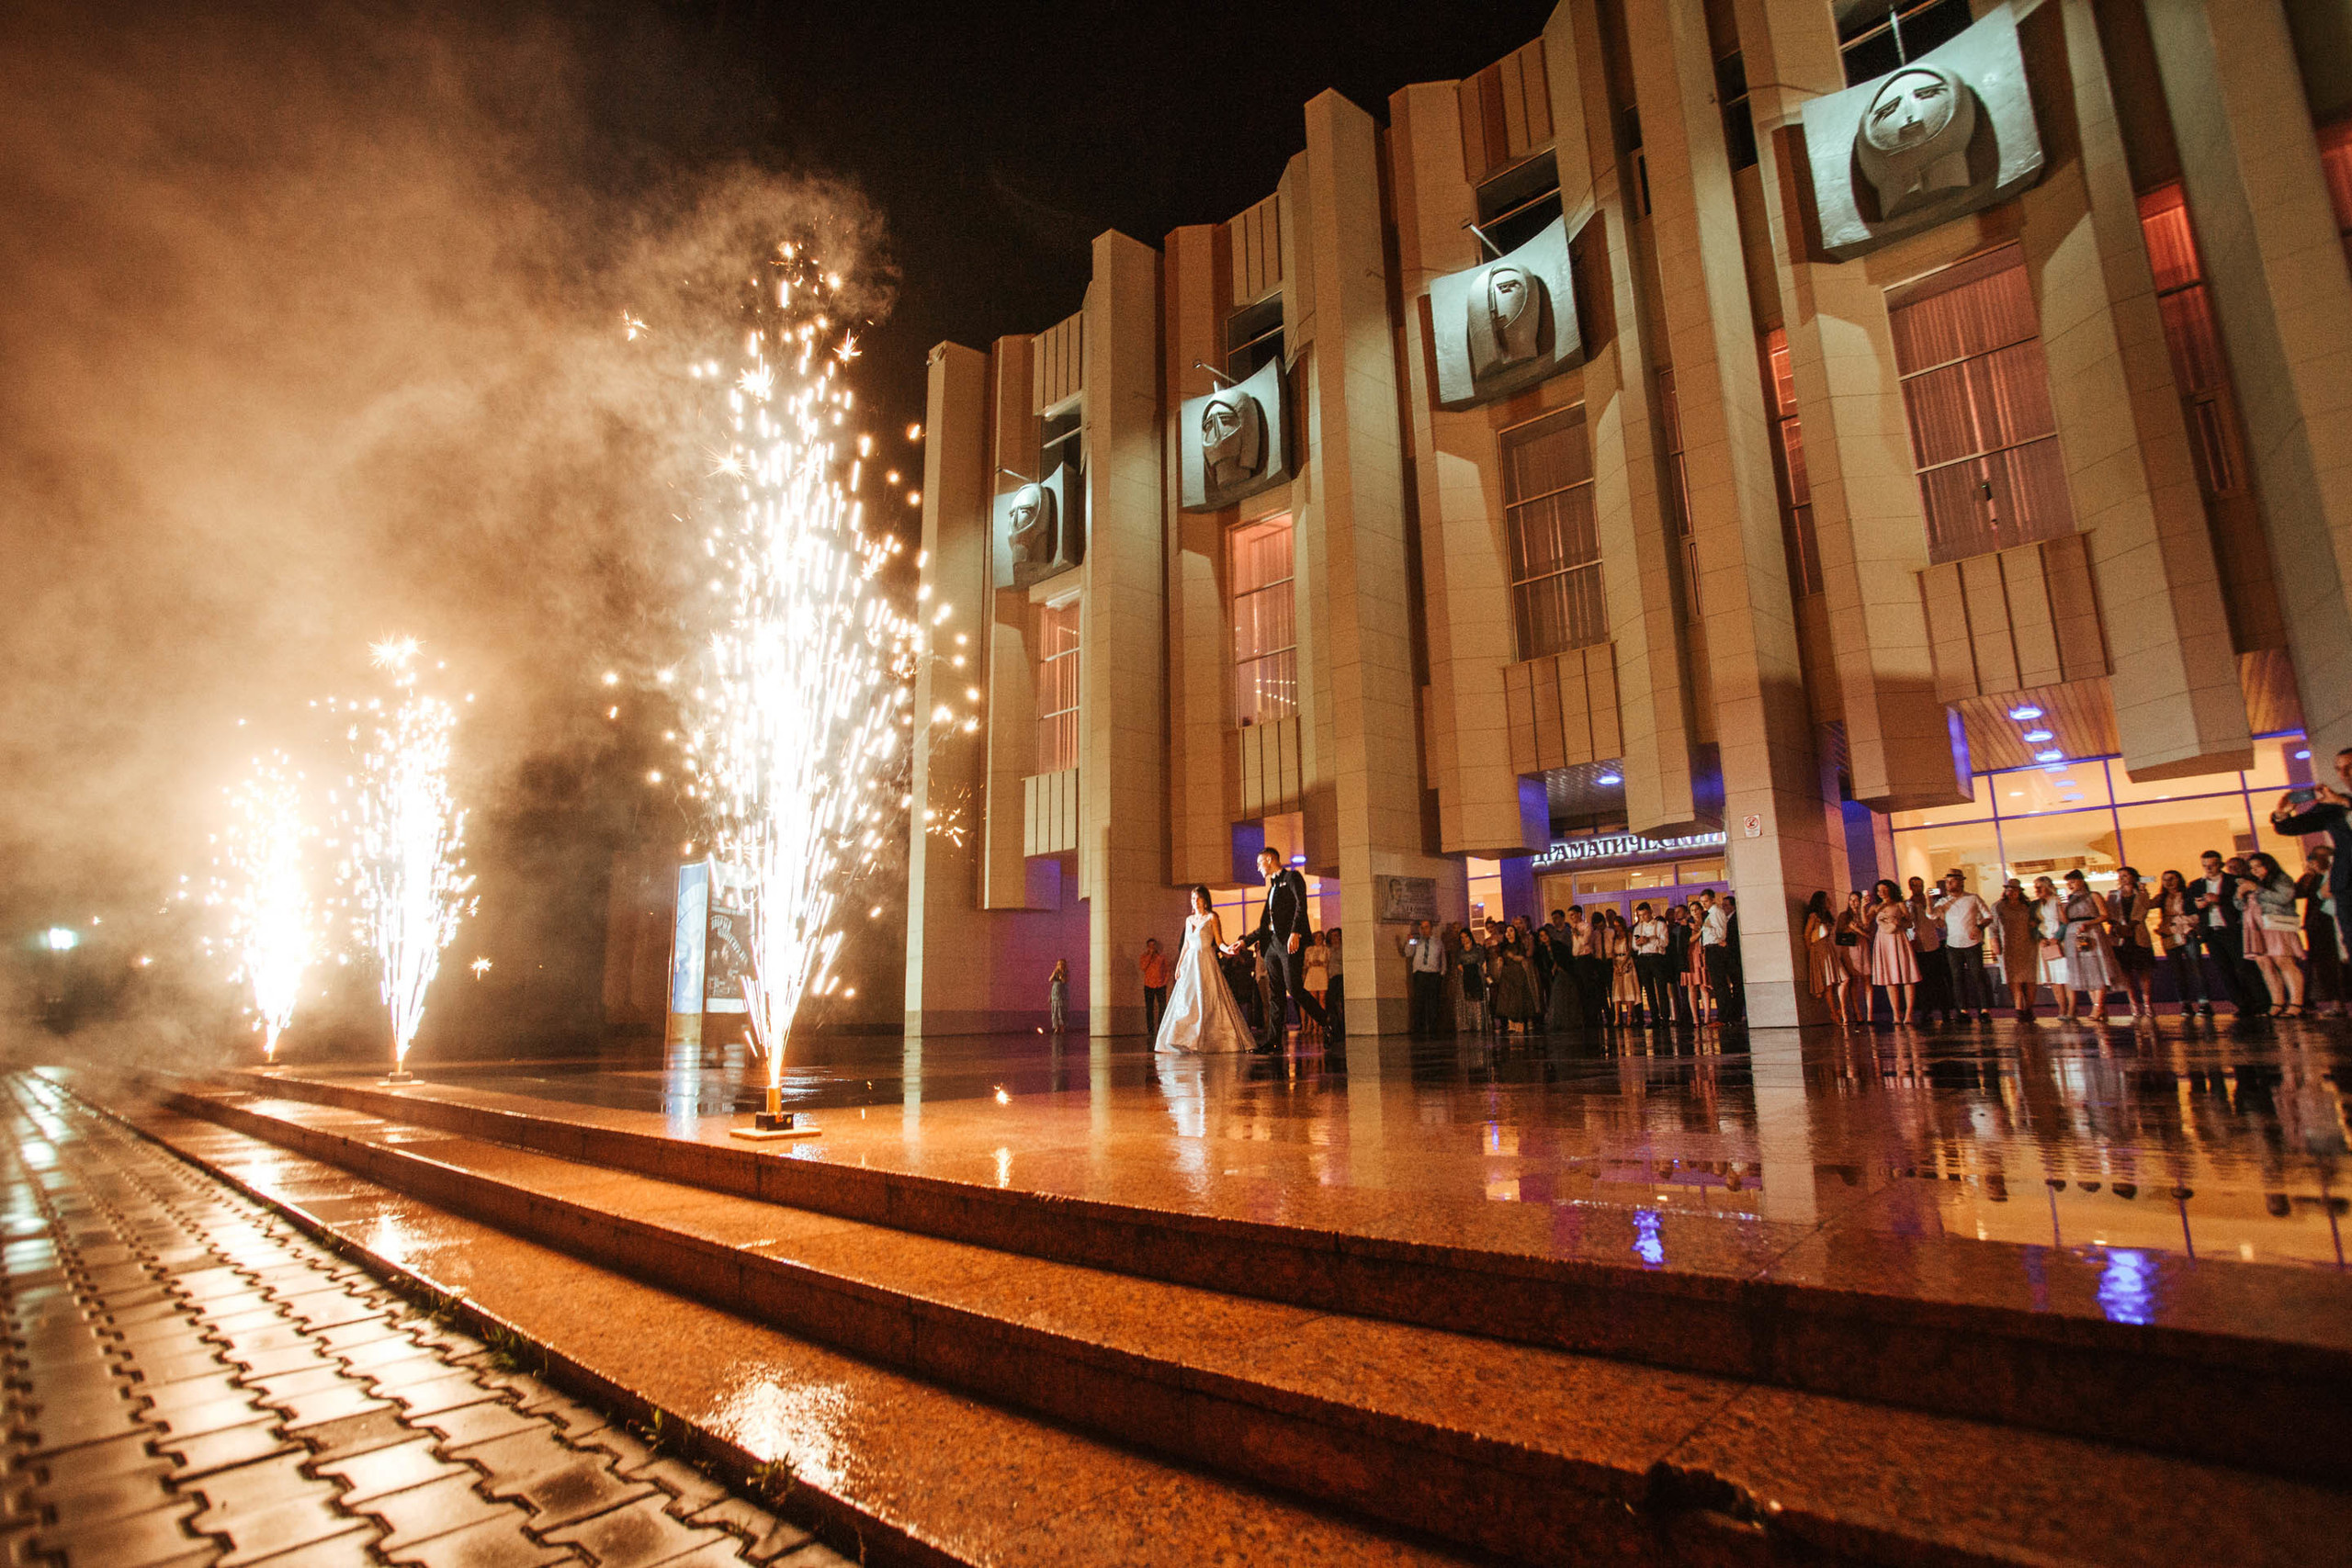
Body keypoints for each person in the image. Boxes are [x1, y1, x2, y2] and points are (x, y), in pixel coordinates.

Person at [2274, 754, 2352, 993]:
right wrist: (2282, 814)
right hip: (2347, 883)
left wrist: (2344, 802)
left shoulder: (2339, 801)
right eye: (2339, 769)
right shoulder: (2332, 806)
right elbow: (2293, 827)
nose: (2344, 774)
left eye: (2350, 767)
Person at [1154, 886, 1255, 1054]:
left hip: (1206, 960)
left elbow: (1219, 942)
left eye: (1198, 898)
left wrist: (1228, 949)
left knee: (1209, 997)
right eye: (1193, 899)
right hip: (1190, 963)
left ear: (1205, 900)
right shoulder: (1189, 920)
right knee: (1187, 999)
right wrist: (1179, 965)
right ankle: (1184, 1039)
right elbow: (1186, 945)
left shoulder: (1212, 917)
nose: (1195, 901)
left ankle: (1208, 1039)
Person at [1248, 845, 1329, 1050]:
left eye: (1259, 863)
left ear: (1269, 859)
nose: (1258, 868)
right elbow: (1265, 923)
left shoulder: (1292, 878)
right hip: (1272, 944)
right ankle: (1273, 1041)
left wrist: (1295, 932)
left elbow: (1301, 905)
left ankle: (1327, 1021)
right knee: (1275, 993)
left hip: (1289, 942)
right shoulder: (1272, 888)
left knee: (1294, 988)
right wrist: (1245, 941)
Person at [2238, 852, 2307, 1018]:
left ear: (2268, 865)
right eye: (2252, 868)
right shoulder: (2250, 881)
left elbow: (2284, 897)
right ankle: (2277, 1002)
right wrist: (2240, 895)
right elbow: (2239, 906)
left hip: (2276, 924)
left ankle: (2296, 1003)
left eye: (2258, 866)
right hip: (2254, 927)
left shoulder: (2281, 879)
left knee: (2283, 961)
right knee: (2265, 963)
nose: (2255, 870)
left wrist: (2257, 890)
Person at [2187, 849, 2249, 1017]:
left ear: (2220, 865)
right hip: (2211, 932)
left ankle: (2255, 1002)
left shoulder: (2233, 881)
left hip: (2231, 929)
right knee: (2224, 970)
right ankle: (2240, 1004)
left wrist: (2219, 900)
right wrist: (2196, 906)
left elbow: (2242, 903)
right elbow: (2187, 906)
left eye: (2212, 865)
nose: (2208, 869)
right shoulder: (2196, 885)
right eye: (2205, 865)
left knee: (2242, 967)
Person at [1930, 870, 1996, 1024]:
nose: (1949, 884)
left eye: (1952, 881)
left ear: (1961, 882)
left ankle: (1984, 1010)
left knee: (1977, 976)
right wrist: (1929, 900)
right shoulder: (1943, 902)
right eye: (1947, 882)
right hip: (1953, 944)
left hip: (1972, 943)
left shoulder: (1972, 898)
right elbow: (1933, 916)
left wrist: (1979, 927)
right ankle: (1963, 1010)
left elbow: (1988, 916)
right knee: (1957, 978)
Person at [2060, 870, 2120, 1024]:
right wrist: (2061, 908)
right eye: (2068, 882)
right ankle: (2099, 1007)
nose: (2070, 885)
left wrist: (2088, 923)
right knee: (2085, 970)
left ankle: (2097, 1007)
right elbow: (2066, 921)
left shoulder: (2093, 895)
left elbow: (2104, 915)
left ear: (2081, 881)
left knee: (2097, 968)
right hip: (2074, 933)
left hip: (2091, 932)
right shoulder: (2069, 899)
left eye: (2073, 881)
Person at [2107, 867, 2158, 1022]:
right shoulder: (2113, 895)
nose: (2122, 878)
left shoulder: (2141, 894)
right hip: (2120, 937)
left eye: (2125, 875)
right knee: (2126, 972)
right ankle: (2134, 1004)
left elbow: (2142, 912)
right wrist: (2118, 926)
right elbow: (2109, 914)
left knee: (2144, 971)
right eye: (2120, 876)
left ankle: (2147, 1003)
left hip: (2138, 935)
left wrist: (2129, 926)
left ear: (2134, 877)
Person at [1865, 879, 1919, 1024]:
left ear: (1890, 889)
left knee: (1907, 975)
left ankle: (1909, 1013)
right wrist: (1863, 907)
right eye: (1879, 890)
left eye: (1884, 889)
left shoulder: (1899, 904)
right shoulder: (1875, 907)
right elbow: (1866, 922)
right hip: (1883, 941)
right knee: (1889, 978)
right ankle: (1896, 1014)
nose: (1881, 892)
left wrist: (1897, 922)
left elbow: (1909, 923)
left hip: (1898, 938)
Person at [2154, 868, 2206, 1019]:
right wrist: (2141, 890)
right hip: (2169, 933)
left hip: (2187, 931)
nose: (2168, 882)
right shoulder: (2162, 898)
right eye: (2165, 879)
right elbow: (2146, 905)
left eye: (2172, 879)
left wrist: (2188, 924)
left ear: (2179, 879)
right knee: (2177, 970)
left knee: (2196, 967)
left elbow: (2196, 912)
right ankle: (2185, 1003)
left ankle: (2204, 1002)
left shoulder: (2187, 894)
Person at [2297, 849, 2345, 1016]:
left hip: (2335, 922)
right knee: (2324, 964)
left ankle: (2338, 1002)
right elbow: (2299, 892)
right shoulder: (2314, 878)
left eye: (2314, 859)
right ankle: (2336, 1002)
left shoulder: (2336, 873)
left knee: (2338, 962)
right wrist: (2308, 875)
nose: (2312, 863)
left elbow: (2326, 893)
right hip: (2318, 925)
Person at [1906, 876, 1951, 1026]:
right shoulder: (1908, 904)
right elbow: (1908, 924)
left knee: (1939, 981)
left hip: (1934, 945)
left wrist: (1929, 904)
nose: (1917, 888)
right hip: (1918, 946)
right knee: (1923, 982)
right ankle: (1926, 1011)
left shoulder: (1932, 904)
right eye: (1914, 885)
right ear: (1910, 887)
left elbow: (1940, 924)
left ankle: (1945, 1011)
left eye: (1920, 885)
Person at [1991, 879, 2038, 1020]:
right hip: (2008, 946)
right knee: (2013, 978)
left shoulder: (2027, 906)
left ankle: (2029, 1007)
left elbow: (2036, 923)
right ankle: (2019, 1008)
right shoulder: (1998, 906)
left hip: (2028, 945)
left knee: (2029, 979)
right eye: (2008, 889)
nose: (2011, 892)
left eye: (2014, 890)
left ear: (2019, 892)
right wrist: (1994, 942)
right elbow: (1993, 926)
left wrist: (2034, 926)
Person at [1399, 917, 1448, 1037]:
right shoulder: (1416, 941)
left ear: (1431, 928)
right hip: (1420, 974)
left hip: (1433, 974)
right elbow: (1408, 953)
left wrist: (1442, 972)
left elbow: (1443, 958)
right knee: (1419, 1002)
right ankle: (1419, 1028)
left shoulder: (1438, 942)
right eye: (1422, 928)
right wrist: (1409, 942)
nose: (1424, 930)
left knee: (1433, 1002)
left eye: (1426, 927)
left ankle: (1433, 1028)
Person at [2032, 875, 2073, 1019]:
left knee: (2065, 976)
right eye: (2035, 887)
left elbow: (2066, 921)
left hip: (2059, 940)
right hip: (2045, 941)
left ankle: (2072, 1009)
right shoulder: (2037, 904)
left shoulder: (2058, 900)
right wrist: (2040, 938)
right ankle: (2062, 1007)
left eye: (2040, 887)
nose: (2037, 890)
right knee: (2054, 977)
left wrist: (2057, 937)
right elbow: (2033, 924)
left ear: (2048, 886)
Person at [1490, 927, 1540, 1036]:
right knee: (1508, 997)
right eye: (1507, 931)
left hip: (1517, 972)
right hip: (1507, 974)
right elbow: (1500, 956)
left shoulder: (1519, 945)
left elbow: (1522, 957)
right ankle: (1510, 1023)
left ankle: (1520, 1022)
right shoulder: (1503, 946)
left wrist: (1513, 956)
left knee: (1518, 997)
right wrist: (1500, 960)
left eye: (1511, 931)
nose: (1508, 933)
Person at [1698, 890, 1737, 1024]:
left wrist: (1706, 928)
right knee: (1718, 983)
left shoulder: (1717, 912)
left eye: (1706, 901)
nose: (1704, 904)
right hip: (1710, 949)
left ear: (1713, 900)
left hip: (1716, 949)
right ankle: (1724, 1015)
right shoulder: (1710, 913)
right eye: (1702, 902)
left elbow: (1721, 933)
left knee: (1720, 984)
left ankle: (1724, 1017)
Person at [1632, 902, 1672, 1027]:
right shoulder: (1638, 928)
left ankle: (1665, 1017)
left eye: (1644, 914)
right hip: (1643, 958)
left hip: (1657, 958)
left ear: (1650, 912)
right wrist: (1639, 943)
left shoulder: (1660, 925)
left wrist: (1650, 939)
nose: (1643, 917)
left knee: (1661, 988)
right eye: (1640, 915)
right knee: (1649, 990)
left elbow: (1665, 942)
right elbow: (1634, 946)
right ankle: (1654, 1018)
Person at [1838, 890, 1873, 1022]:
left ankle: (1870, 1014)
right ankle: (1857, 1012)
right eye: (1850, 900)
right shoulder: (1843, 915)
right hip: (1850, 948)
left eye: (1856, 900)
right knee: (1854, 980)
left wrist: (1857, 929)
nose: (1853, 903)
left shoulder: (1865, 914)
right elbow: (1839, 933)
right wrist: (1851, 928)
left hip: (1863, 947)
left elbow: (1869, 933)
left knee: (1867, 979)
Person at [1453, 927, 1488, 1033]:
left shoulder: (1477, 948)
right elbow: (1458, 962)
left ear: (1470, 937)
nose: (1464, 939)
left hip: (1476, 974)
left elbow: (1481, 959)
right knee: (1466, 999)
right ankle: (1466, 1024)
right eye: (1461, 938)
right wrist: (1463, 968)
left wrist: (1474, 968)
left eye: (1465, 937)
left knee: (1477, 999)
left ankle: (1478, 1023)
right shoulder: (1460, 951)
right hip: (1464, 976)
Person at [1139, 938, 1172, 1039]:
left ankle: (1161, 1028)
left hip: (1160, 985)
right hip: (1149, 985)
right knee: (1149, 1008)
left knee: (1162, 1007)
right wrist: (1150, 955)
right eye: (1150, 946)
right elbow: (1143, 967)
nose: (1152, 948)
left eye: (1154, 946)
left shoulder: (1161, 957)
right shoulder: (1144, 957)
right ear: (1147, 947)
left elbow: (1167, 969)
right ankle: (1150, 1030)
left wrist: (1165, 981)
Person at [1302, 932, 1330, 1038]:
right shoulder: (1309, 950)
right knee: (1313, 1001)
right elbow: (1306, 963)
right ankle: (1312, 1025)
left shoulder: (1326, 950)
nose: (1318, 939)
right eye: (1316, 937)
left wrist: (1321, 963)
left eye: (1320, 937)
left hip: (1322, 973)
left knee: (1322, 999)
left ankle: (1321, 1026)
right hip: (1312, 973)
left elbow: (1328, 962)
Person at [1047, 958, 1069, 1033]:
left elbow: (1064, 981)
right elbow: (1050, 980)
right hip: (1055, 992)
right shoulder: (1055, 972)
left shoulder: (1066, 972)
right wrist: (1054, 974)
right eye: (1059, 964)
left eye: (1062, 964)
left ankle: (1062, 1026)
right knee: (1055, 1010)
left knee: (1061, 1010)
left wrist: (1061, 976)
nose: (1060, 966)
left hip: (1062, 993)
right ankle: (1056, 1026)